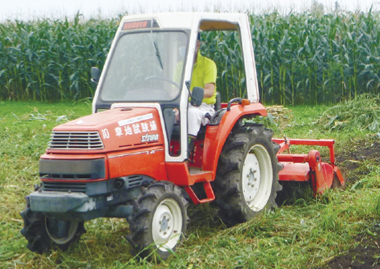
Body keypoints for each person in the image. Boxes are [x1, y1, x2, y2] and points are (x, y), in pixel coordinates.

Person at [187, 33, 217, 155]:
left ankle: (187, 152)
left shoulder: (208, 65)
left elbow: (209, 91)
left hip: (203, 106)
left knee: (192, 113)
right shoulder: (180, 66)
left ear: (197, 44)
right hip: (183, 105)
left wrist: (192, 94)